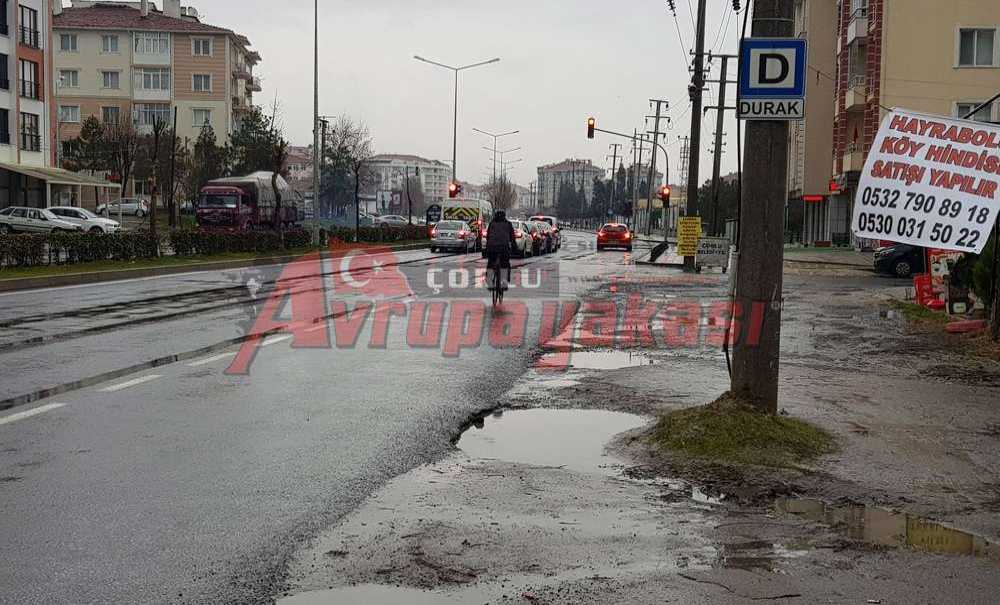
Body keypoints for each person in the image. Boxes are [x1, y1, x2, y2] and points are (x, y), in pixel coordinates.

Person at [485, 209, 517, 290]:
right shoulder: (508, 224)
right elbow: (512, 237)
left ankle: (489, 281)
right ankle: (504, 283)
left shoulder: (491, 223)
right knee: (505, 264)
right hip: (504, 248)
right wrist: (514, 247)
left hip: (492, 247)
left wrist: (487, 246)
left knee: (490, 263)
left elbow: (488, 236)